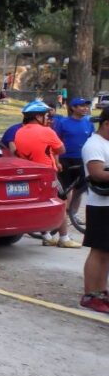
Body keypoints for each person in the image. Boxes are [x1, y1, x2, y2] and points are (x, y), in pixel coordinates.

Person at [13, 100, 80, 248]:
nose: (48, 119)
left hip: (30, 174)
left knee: (41, 204)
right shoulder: (47, 131)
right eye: (45, 116)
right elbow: (62, 149)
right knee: (61, 203)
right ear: (37, 116)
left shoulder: (19, 131)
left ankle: (47, 236)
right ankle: (64, 238)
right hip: (48, 174)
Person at [79, 107, 109, 312]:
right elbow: (97, 173)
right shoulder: (94, 144)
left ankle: (101, 291)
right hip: (100, 206)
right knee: (98, 251)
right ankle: (90, 295)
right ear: (106, 124)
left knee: (107, 252)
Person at [54, 97, 94, 199]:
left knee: (80, 189)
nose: (85, 108)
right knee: (65, 189)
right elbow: (55, 143)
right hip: (65, 159)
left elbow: (92, 141)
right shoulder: (62, 122)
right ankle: (65, 212)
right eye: (82, 106)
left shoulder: (89, 123)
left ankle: (73, 213)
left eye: (86, 106)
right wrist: (57, 161)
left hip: (82, 159)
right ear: (73, 108)